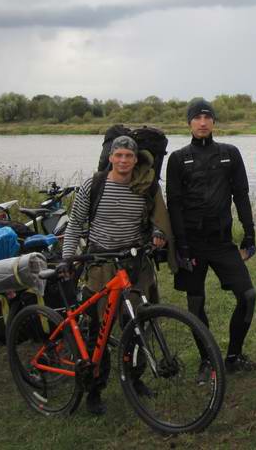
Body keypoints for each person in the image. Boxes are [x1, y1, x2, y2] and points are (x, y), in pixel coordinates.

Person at [62, 135, 172, 415]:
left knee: (136, 325)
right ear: (111, 157)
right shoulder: (95, 184)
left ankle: (135, 379)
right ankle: (94, 390)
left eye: (129, 156)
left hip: (134, 263)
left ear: (136, 159)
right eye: (119, 155)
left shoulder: (146, 185)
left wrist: (159, 234)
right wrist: (67, 259)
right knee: (99, 329)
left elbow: (159, 218)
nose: (123, 160)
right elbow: (75, 223)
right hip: (100, 265)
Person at [166, 98, 256, 378]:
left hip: (221, 242)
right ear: (189, 123)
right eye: (197, 117)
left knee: (248, 295)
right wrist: (181, 244)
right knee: (196, 303)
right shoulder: (178, 158)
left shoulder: (229, 154)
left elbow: (241, 195)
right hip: (192, 243)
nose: (203, 122)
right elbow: (174, 204)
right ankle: (207, 360)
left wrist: (250, 232)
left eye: (207, 117)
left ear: (214, 122)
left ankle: (233, 356)